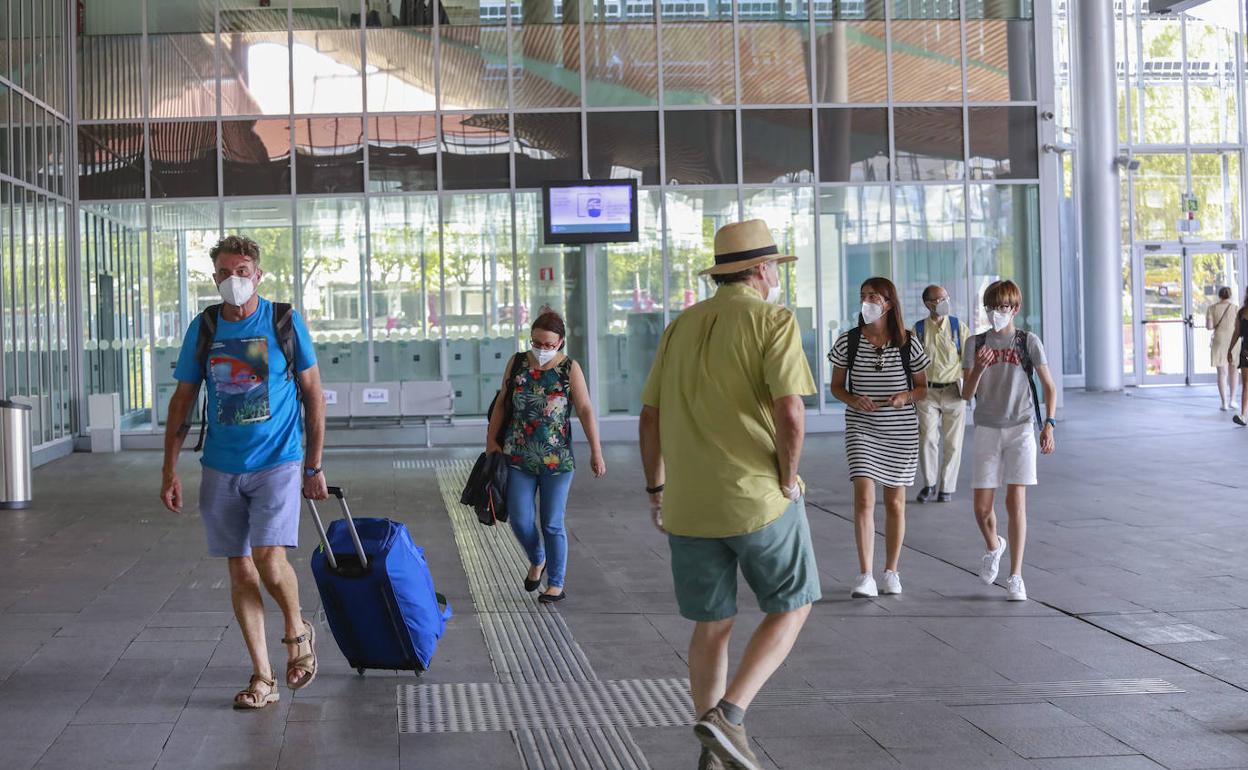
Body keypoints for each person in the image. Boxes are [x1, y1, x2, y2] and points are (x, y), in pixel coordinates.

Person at [639, 220, 819, 770]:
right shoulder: (773, 320)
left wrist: (657, 490)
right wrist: (789, 478)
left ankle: (711, 754)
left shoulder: (678, 328)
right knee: (794, 602)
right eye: (775, 270)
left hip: (690, 505)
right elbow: (791, 411)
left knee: (711, 625)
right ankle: (729, 716)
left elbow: (650, 418)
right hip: (757, 499)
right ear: (762, 270)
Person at [160, 235, 327, 709]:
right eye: (225, 273)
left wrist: (313, 464)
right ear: (214, 278)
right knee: (240, 568)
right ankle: (263, 678)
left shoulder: (284, 321)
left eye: (242, 270)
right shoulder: (206, 326)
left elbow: (313, 395)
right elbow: (183, 399)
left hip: (277, 460)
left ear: (258, 273)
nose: (234, 279)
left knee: (269, 556)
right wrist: (169, 469)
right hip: (220, 464)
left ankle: (297, 630)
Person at [485, 310, 606, 603]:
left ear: (561, 342)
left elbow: (586, 409)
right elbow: (502, 402)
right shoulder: (517, 363)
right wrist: (491, 439)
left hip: (557, 460)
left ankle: (556, 583)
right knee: (519, 520)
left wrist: (596, 451)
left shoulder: (569, 368)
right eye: (537, 342)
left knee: (552, 522)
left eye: (549, 344)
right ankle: (537, 557)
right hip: (517, 457)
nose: (542, 349)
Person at [829, 277, 929, 599]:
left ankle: (891, 570)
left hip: (899, 430)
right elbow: (836, 386)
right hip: (862, 427)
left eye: (873, 296)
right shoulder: (849, 341)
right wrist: (852, 399)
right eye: (863, 296)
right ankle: (865, 574)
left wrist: (906, 397)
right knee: (863, 498)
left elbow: (922, 387)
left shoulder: (908, 342)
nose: (867, 301)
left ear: (888, 303)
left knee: (895, 503)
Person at [961, 280, 1057, 602]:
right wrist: (979, 368)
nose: (996, 313)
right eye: (991, 307)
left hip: (1021, 427)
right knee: (981, 508)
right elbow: (966, 393)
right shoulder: (974, 343)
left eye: (1002, 307)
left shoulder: (1027, 341)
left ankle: (1015, 575)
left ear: (1015, 309)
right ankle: (994, 545)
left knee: (1015, 502)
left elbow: (1049, 386)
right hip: (987, 427)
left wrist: (1049, 425)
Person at [913, 284, 966, 504]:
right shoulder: (918, 329)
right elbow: (912, 362)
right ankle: (929, 484)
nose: (944, 302)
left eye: (946, 297)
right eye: (938, 299)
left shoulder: (957, 327)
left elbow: (968, 359)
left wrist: (970, 387)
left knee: (953, 442)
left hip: (954, 391)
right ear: (927, 304)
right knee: (927, 439)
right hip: (927, 392)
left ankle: (947, 487)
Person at [1227, 289, 1248, 426]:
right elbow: (1237, 332)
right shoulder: (1241, 312)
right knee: (1246, 384)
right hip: (1245, 352)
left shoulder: (1242, 312)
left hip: (1245, 352)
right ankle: (1243, 415)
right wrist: (1230, 349)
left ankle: (1243, 415)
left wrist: (1230, 350)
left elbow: (1237, 333)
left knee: (1246, 385)